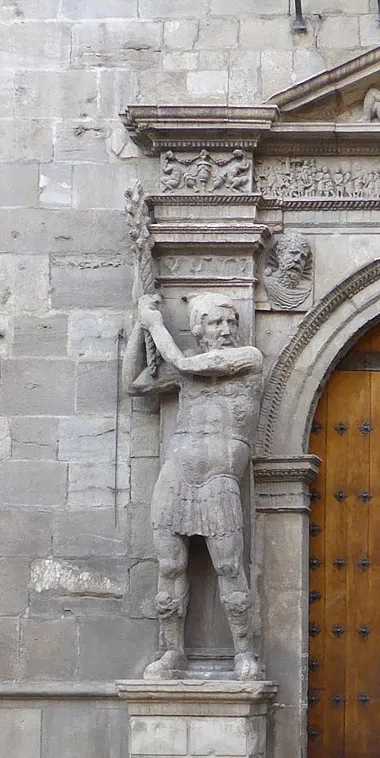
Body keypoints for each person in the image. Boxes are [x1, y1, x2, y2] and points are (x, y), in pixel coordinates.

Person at [124, 288, 265, 680]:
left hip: (220, 480)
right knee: (169, 565)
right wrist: (140, 326)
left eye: (230, 322)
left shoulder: (246, 359)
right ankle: (172, 653)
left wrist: (155, 325)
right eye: (216, 323)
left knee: (229, 565)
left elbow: (186, 365)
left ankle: (243, 652)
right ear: (199, 330)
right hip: (177, 474)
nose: (225, 330)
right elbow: (134, 384)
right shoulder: (187, 371)